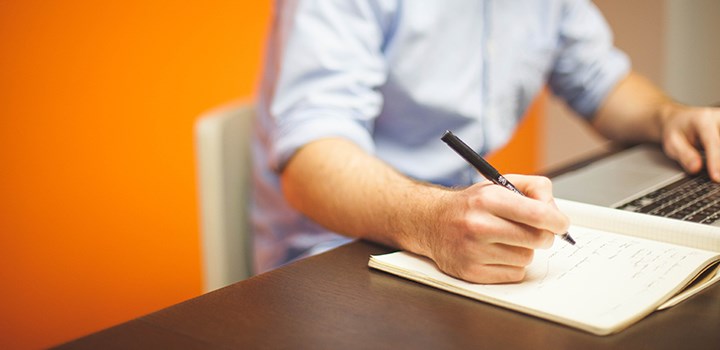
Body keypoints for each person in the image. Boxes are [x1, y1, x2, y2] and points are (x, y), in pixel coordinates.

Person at [250, 0, 720, 282]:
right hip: (337, 251)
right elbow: (310, 159)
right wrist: (433, 221)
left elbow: (598, 79)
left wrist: (669, 117)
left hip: (455, 228)